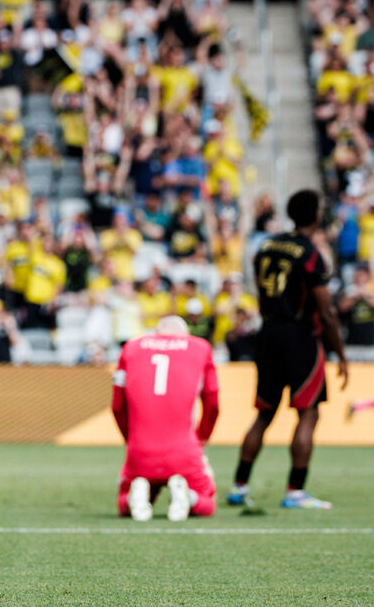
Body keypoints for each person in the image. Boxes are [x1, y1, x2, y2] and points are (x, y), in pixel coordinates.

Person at [228, 189, 348, 510]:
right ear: (316, 214)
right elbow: (325, 311)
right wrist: (341, 354)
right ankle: (295, 491)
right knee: (308, 413)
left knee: (264, 413)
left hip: (267, 332)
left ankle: (239, 485)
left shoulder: (266, 245)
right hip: (300, 337)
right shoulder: (309, 253)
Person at [112, 316, 220, 522]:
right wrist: (201, 439)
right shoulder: (200, 347)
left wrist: (131, 439)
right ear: (185, 334)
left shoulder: (131, 348)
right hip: (184, 452)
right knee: (207, 502)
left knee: (124, 501)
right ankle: (189, 498)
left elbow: (117, 407)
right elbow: (212, 404)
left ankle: (137, 494)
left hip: (140, 452)